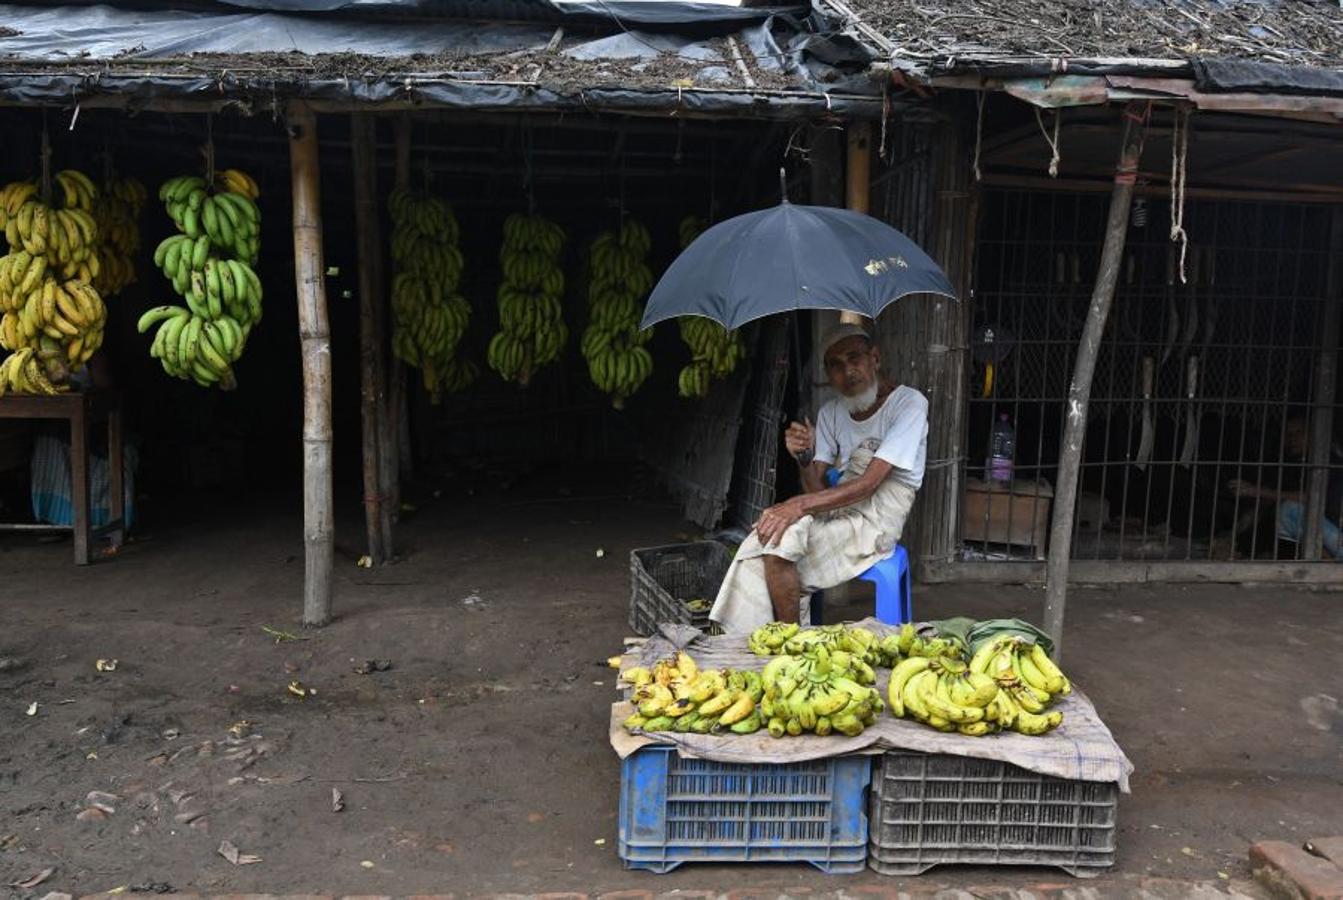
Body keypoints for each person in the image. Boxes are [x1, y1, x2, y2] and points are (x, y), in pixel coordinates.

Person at [709, 323, 928, 633]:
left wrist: (796, 506)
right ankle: (766, 640)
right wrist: (803, 457)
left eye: (855, 358)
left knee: (779, 548)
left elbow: (869, 484)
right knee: (767, 536)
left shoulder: (909, 404)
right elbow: (816, 488)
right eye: (836, 365)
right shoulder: (830, 413)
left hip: (876, 524)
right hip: (837, 515)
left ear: (875, 358)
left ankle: (790, 644)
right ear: (828, 373)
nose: (848, 371)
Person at [1226, 412, 1343, 559]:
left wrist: (1256, 491)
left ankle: (1328, 563)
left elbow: (1311, 498)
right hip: (1331, 536)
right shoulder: (1298, 464)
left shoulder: (1327, 462)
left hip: (1338, 537)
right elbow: (1269, 502)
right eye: (1289, 434)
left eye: (1299, 432)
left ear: (1314, 434)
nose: (1293, 438)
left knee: (1289, 510)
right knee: (1280, 512)